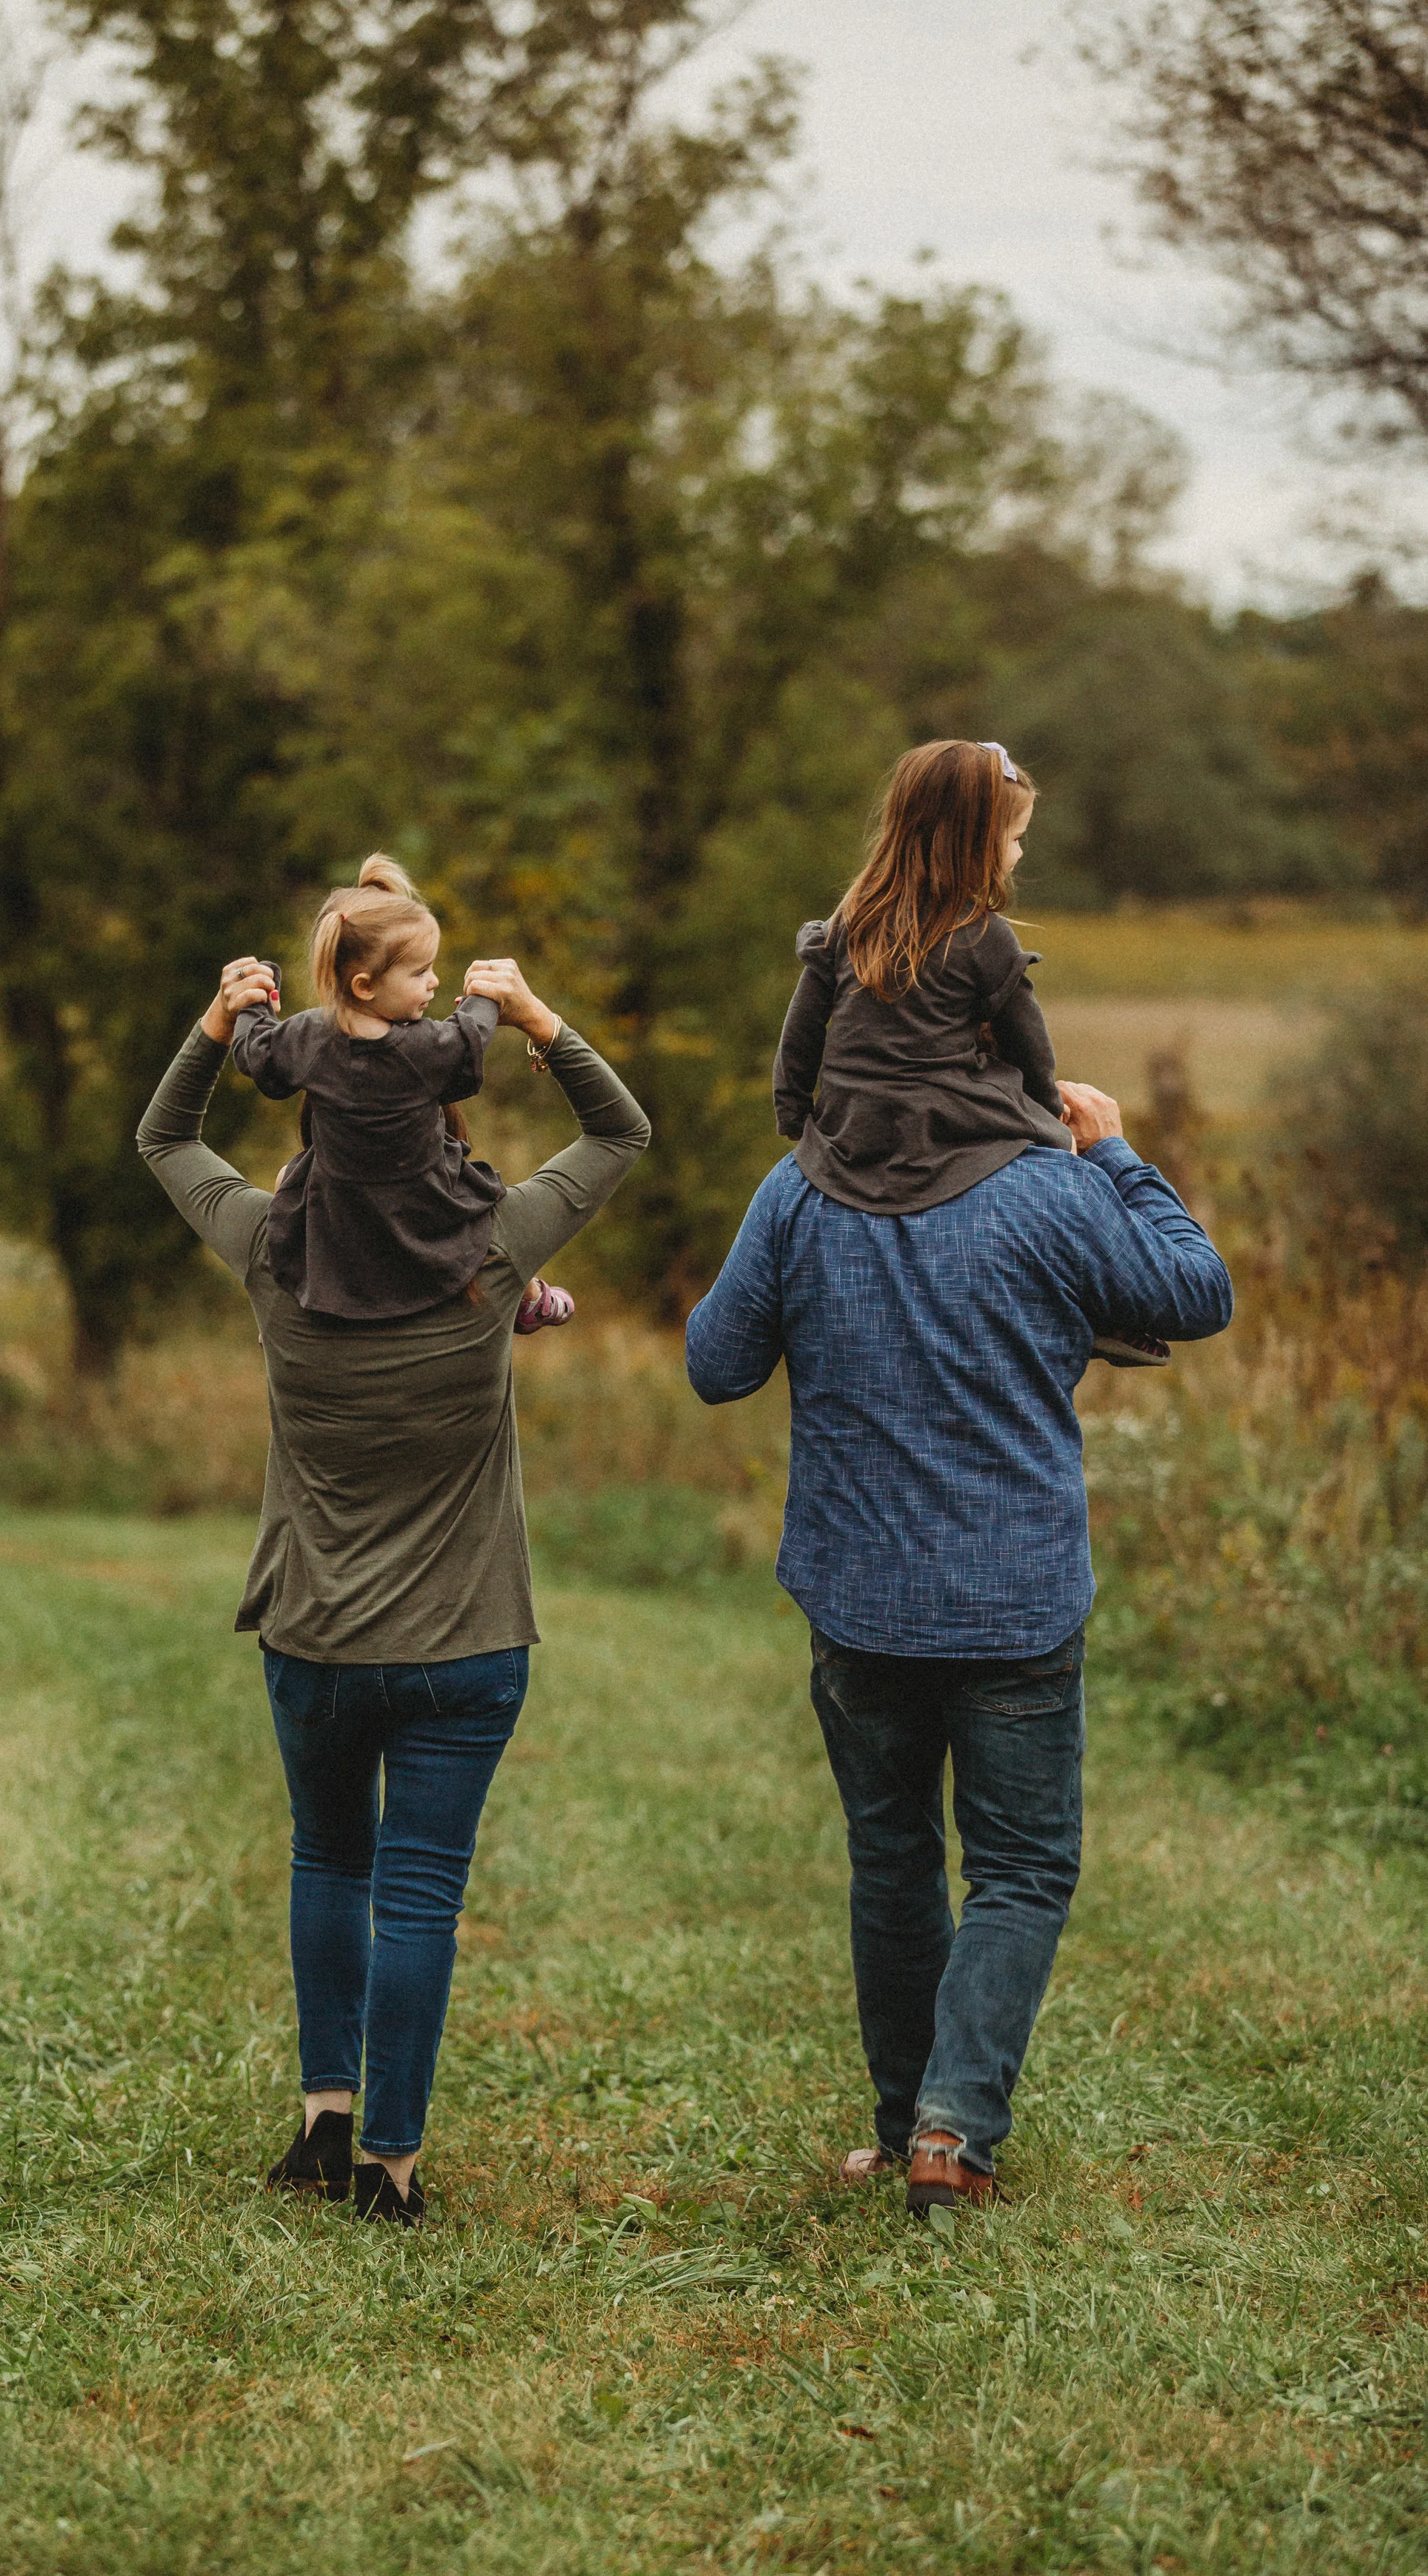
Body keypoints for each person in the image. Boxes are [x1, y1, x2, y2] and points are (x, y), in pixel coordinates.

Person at [686, 1025, 1232, 2216]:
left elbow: (716, 1363)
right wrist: (1121, 1154)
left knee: (892, 1856)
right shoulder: (1051, 1188)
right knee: (1022, 1869)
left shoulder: (799, 1190)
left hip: (859, 1595)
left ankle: (904, 2130)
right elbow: (1199, 1293)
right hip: (1015, 1594)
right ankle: (953, 2133)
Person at [138, 951, 649, 2223]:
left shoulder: (266, 1249)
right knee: (420, 1890)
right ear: (434, 1124)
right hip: (466, 1642)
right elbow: (620, 1128)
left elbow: (164, 1136)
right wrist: (534, 1013)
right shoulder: (494, 1253)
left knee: (329, 1861)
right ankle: (393, 2168)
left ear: (316, 1117)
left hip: (313, 1637)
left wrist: (218, 1025)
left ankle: (322, 2123)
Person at [773, 740, 1169, 1369]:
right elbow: (1028, 1046)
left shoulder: (849, 921)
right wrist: (1048, 1121)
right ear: (975, 844)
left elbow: (801, 1033)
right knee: (1070, 1172)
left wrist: (797, 1117)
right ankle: (1098, 1309)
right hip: (946, 1115)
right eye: (1014, 838)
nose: (1018, 853)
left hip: (851, 1123)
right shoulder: (983, 934)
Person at [231, 853, 575, 1339]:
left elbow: (256, 1056)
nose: (434, 982)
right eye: (420, 973)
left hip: (338, 1202)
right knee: (480, 1209)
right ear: (365, 985)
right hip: (425, 1203)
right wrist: (486, 996)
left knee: (291, 1180)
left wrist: (256, 998)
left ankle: (298, 1304)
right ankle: (531, 1296)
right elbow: (468, 1040)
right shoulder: (423, 1048)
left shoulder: (306, 1036)